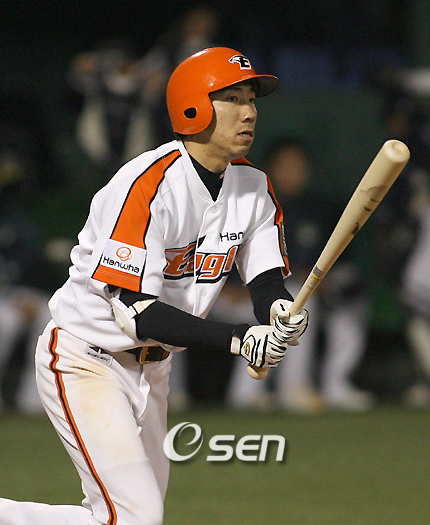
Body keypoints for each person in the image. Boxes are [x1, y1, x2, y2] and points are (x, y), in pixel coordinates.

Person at [0, 47, 309, 525]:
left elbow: (265, 280)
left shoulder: (253, 186)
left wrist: (279, 313)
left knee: (126, 518)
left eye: (251, 99)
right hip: (88, 358)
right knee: (136, 516)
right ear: (192, 107)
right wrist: (238, 339)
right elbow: (136, 311)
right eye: (231, 98)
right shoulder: (146, 184)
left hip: (155, 369)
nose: (249, 112)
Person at [226, 136, 373, 412]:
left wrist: (329, 283)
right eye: (286, 166)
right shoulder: (250, 205)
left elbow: (339, 265)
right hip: (234, 295)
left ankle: (333, 385)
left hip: (291, 294)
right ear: (271, 169)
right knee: (292, 302)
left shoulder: (319, 209)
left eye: (299, 166)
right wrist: (231, 287)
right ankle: (258, 392)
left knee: (329, 304)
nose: (294, 172)